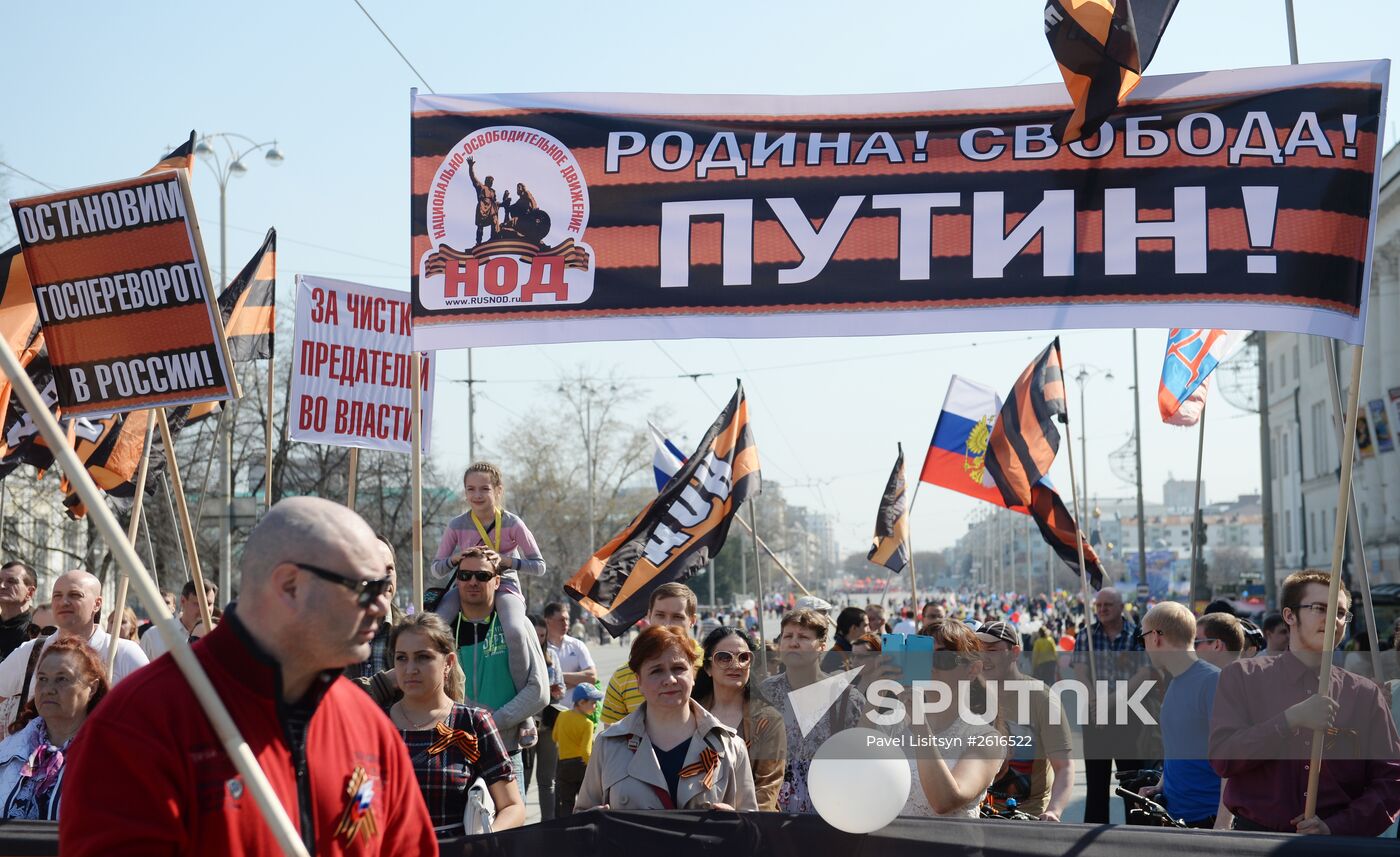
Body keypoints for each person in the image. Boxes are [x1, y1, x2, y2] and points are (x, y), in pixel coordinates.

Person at [59, 496, 437, 855]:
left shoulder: (368, 726)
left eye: (385, 588)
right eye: (364, 588)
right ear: (290, 585)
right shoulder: (140, 725)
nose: (380, 605)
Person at [1209, 570, 1400, 835]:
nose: (1333, 619)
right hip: (1255, 841)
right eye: (1319, 608)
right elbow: (1223, 758)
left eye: (1341, 612)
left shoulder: (1364, 694)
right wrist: (1289, 720)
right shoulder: (1243, 677)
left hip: (1335, 846)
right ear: (1289, 615)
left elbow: (1392, 781)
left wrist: (1336, 827)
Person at [576, 625, 757, 811]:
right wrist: (592, 822)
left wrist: (737, 823)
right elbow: (581, 817)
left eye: (678, 668)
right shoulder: (608, 745)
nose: (670, 679)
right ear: (639, 682)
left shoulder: (731, 746)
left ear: (693, 674)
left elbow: (753, 829)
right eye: (656, 671)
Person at [432, 462, 545, 748]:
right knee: (434, 627)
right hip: (467, 585)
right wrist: (457, 561)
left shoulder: (512, 523)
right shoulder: (457, 524)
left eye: (484, 488)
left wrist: (505, 561)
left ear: (498, 490)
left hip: (504, 585)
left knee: (516, 631)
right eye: (471, 489)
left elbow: (539, 566)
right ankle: (436, 701)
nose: (477, 495)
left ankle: (524, 715)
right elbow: (436, 568)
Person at [387, 613, 523, 838]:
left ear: (448, 663)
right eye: (402, 658)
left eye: (423, 657)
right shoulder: (375, 724)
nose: (410, 668)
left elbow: (512, 806)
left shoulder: (472, 723)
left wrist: (483, 841)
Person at [444, 546, 548, 800]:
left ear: (497, 581)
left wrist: (489, 724)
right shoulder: (444, 630)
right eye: (465, 575)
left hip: (505, 752)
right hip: (453, 754)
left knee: (509, 837)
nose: (472, 582)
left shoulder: (517, 625)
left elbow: (539, 692)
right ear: (457, 579)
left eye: (482, 576)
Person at [0, 570, 147, 730]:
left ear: (97, 604)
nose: (64, 602)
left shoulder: (124, 653)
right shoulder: (30, 652)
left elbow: (153, 712)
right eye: (57, 595)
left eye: (75, 595)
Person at [759, 608, 864, 814]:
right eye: (787, 636)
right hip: (772, 813)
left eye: (804, 637)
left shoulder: (847, 698)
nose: (793, 642)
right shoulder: (764, 693)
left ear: (821, 647)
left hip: (830, 812)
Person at [1137, 602, 1230, 829]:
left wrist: (1223, 823)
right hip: (1176, 816)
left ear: (1156, 637)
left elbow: (1232, 759)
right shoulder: (1176, 681)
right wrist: (1161, 784)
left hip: (1206, 820)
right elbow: (1179, 745)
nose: (1144, 646)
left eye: (1143, 638)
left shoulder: (1213, 682)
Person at [901, 619, 1006, 817]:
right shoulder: (895, 724)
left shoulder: (987, 739)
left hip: (949, 846)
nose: (930, 666)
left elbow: (944, 801)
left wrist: (918, 722)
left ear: (973, 669)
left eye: (943, 658)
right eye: (923, 657)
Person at [0, 637, 107, 820]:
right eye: (42, 679)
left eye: (62, 679)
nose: (49, 689)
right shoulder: (8, 752)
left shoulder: (109, 758)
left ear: (93, 687)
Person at [976, 620, 1073, 821]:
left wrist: (1054, 810)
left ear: (1015, 652)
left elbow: (1064, 767)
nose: (983, 657)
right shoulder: (969, 694)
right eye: (978, 650)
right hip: (977, 814)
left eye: (992, 650)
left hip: (1027, 817)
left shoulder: (1042, 698)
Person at [1072, 587, 1145, 824]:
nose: (1102, 610)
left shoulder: (1136, 635)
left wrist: (1110, 702)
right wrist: (1096, 703)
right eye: (1098, 606)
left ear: (1121, 607)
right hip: (1095, 716)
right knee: (1096, 783)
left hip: (1128, 713)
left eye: (1108, 605)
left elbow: (1144, 673)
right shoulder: (1086, 635)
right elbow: (1081, 673)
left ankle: (1138, 836)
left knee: (1131, 781)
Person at [694, 626, 786, 811]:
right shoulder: (691, 712)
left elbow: (767, 788)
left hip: (749, 825)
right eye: (724, 657)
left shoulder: (768, 720)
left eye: (743, 658)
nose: (735, 664)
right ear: (708, 667)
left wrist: (739, 818)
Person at [602, 583, 700, 725]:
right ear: (649, 616)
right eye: (660, 615)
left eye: (677, 617)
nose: (667, 624)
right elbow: (611, 740)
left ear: (692, 620)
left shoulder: (714, 668)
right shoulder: (623, 676)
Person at [526, 612, 564, 821]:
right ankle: (517, 827)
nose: (539, 640)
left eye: (542, 636)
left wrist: (557, 691)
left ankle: (547, 825)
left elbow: (562, 687)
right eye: (536, 634)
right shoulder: (518, 654)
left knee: (547, 780)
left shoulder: (552, 655)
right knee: (522, 779)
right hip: (525, 724)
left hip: (549, 723)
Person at [345, 538, 399, 681]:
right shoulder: (332, 633)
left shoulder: (413, 631)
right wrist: (383, 685)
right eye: (376, 569)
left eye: (389, 569)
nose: (385, 579)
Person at [139, 579, 218, 662]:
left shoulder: (218, 638)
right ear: (183, 601)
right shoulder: (154, 636)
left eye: (209, 604)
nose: (205, 610)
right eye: (198, 604)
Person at [554, 683, 602, 817]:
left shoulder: (562, 716)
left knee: (566, 802)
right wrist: (593, 769)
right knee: (585, 802)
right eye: (593, 703)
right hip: (581, 765)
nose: (596, 706)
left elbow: (555, 736)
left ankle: (565, 832)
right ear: (581, 702)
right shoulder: (587, 724)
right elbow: (585, 751)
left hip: (563, 765)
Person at [0, 562, 36, 659]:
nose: (2, 586)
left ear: (30, 592)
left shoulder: (37, 629)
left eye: (11, 581)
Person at [822, 606, 869, 672]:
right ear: (854, 628)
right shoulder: (834, 657)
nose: (869, 630)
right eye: (865, 625)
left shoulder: (852, 651)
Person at [466, 157, 499, 244]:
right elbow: (473, 177)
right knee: (480, 225)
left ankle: (493, 238)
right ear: (486, 181)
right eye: (490, 180)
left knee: (494, 221)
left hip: (491, 208)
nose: (491, 182)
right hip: (482, 208)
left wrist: (503, 203)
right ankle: (478, 242)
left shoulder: (493, 191)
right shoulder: (481, 187)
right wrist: (470, 166)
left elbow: (495, 202)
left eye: (492, 181)